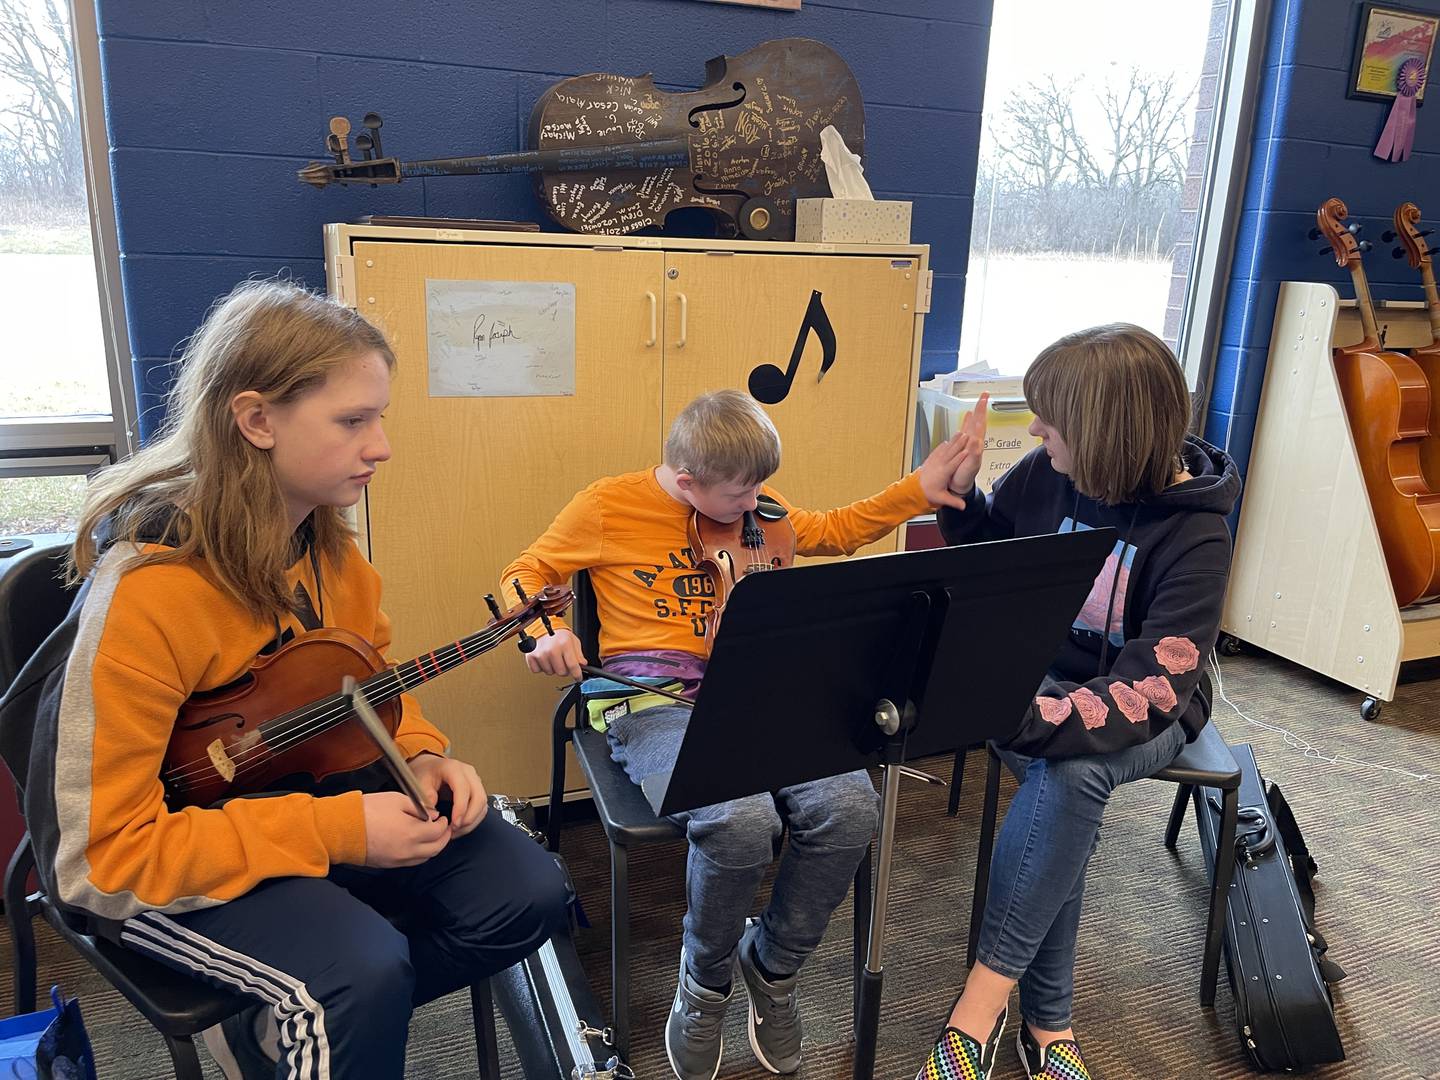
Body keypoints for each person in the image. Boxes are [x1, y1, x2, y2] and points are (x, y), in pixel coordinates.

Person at [12, 280, 569, 1079]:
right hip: (166, 856)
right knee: (357, 972)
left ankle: (285, 1032)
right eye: (352, 421)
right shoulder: (150, 593)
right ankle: (319, 1015)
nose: (381, 445)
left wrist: (418, 754)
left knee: (529, 892)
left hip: (292, 798)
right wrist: (343, 831)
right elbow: (99, 861)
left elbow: (367, 686)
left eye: (379, 417)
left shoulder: (333, 555)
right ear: (257, 420)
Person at [501, 388, 973, 1080]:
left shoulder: (764, 510)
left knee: (850, 808)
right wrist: (546, 632)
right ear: (687, 481)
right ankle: (704, 982)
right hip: (654, 704)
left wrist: (916, 490)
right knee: (738, 818)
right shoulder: (608, 505)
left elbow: (837, 529)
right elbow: (524, 574)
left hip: (766, 697)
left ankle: (774, 967)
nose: (755, 506)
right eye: (739, 494)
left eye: (760, 488)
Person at [916, 324, 1240, 1080]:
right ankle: (1048, 1030)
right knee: (1068, 787)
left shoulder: (1196, 534)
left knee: (1072, 775)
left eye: (1049, 420)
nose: (1033, 431)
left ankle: (978, 1012)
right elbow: (992, 573)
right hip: (1033, 690)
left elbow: (1154, 688)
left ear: (1100, 435)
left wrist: (1034, 717)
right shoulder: (1043, 475)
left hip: (1150, 705)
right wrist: (959, 508)